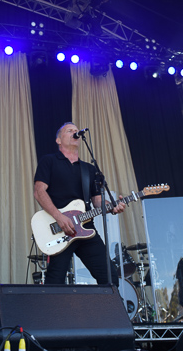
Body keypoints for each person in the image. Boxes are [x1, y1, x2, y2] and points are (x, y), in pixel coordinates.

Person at [33, 122, 126, 286]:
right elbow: (39, 192)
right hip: (60, 228)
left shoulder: (89, 169)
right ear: (58, 140)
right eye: (69, 131)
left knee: (110, 278)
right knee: (55, 281)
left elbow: (97, 201)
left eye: (76, 131)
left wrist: (112, 205)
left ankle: (107, 304)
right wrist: (59, 217)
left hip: (85, 228)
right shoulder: (49, 161)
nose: (75, 133)